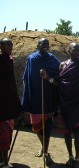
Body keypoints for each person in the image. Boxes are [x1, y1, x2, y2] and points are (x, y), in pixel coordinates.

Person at [41, 42, 79, 168]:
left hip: (78, 103)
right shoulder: (63, 65)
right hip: (65, 103)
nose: (76, 52)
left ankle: (77, 158)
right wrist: (47, 78)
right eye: (74, 50)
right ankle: (70, 156)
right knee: (67, 132)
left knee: (78, 133)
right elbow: (58, 83)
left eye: (78, 50)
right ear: (68, 50)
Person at [22, 38, 60, 166]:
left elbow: (58, 76)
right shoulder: (32, 59)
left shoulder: (52, 59)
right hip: (35, 97)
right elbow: (26, 77)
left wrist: (47, 77)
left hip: (48, 97)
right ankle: (44, 147)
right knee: (37, 126)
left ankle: (46, 152)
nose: (45, 46)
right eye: (43, 44)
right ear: (38, 45)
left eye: (47, 45)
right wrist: (27, 94)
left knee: (48, 126)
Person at [0, 38, 22, 168]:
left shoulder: (9, 60)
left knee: (7, 133)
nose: (11, 47)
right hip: (1, 103)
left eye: (11, 45)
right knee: (3, 135)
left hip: (9, 102)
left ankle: (3, 161)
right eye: (8, 44)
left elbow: (11, 83)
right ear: (1, 46)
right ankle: (5, 162)